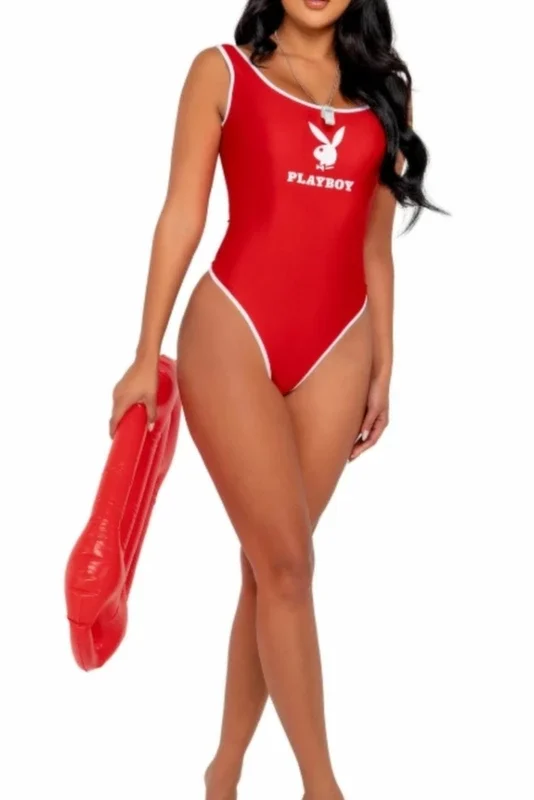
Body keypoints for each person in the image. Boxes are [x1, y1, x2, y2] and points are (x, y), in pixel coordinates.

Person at [110, 1, 444, 798]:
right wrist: (144, 353)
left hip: (338, 347)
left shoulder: (383, 94)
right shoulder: (221, 73)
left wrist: (384, 363)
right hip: (233, 330)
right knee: (290, 567)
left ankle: (223, 771)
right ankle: (322, 787)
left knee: (270, 572)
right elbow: (181, 215)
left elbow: (373, 244)